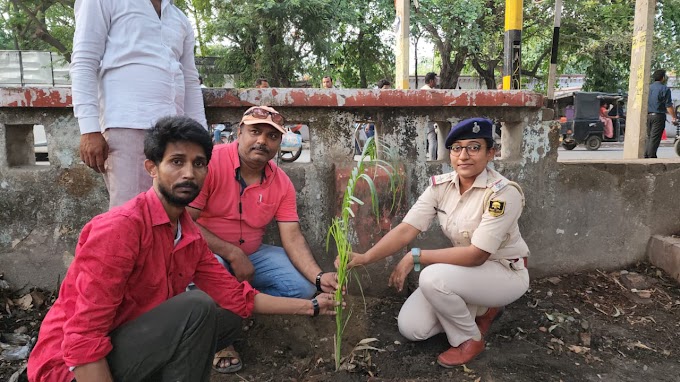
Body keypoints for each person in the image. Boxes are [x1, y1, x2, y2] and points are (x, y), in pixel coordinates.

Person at [27, 116, 338, 382]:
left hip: (127, 343)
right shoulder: (120, 229)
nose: (189, 173)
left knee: (224, 315)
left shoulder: (187, 233)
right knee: (196, 307)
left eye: (199, 164)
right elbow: (82, 340)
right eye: (177, 162)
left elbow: (238, 298)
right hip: (71, 369)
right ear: (152, 167)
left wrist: (312, 306)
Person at [344, 118, 530, 367]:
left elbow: (477, 255)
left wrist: (415, 256)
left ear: (490, 153)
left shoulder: (502, 193)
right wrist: (365, 258)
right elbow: (406, 230)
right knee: (412, 328)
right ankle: (484, 310)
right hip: (466, 275)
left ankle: (469, 339)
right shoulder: (441, 187)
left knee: (432, 278)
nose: (463, 155)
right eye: (456, 148)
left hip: (503, 271)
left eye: (474, 147)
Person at [187, 106, 339, 371]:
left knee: (302, 289)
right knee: (214, 279)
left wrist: (318, 277)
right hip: (209, 251)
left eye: (272, 136)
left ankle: (238, 304)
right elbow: (185, 221)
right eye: (255, 132)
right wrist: (232, 253)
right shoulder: (210, 163)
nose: (262, 141)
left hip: (254, 253)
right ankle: (222, 339)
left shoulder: (281, 183)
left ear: (280, 143)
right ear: (239, 132)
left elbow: (292, 237)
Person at [72, 0, 208, 209]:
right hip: (127, 124)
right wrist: (89, 129)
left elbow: (190, 79)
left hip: (175, 133)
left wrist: (202, 136)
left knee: (169, 213)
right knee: (130, 213)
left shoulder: (178, 17)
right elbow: (84, 61)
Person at [646, 69, 677, 158]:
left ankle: (646, 155)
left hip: (648, 116)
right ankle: (651, 156)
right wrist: (674, 117)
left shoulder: (648, 88)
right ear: (663, 78)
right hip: (658, 116)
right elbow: (669, 106)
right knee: (655, 138)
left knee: (649, 137)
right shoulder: (665, 89)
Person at [421, 72, 438, 160]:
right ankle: (432, 159)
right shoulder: (430, 91)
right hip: (429, 118)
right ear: (431, 81)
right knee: (432, 141)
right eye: (436, 79)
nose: (437, 81)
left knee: (431, 141)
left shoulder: (421, 89)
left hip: (424, 118)